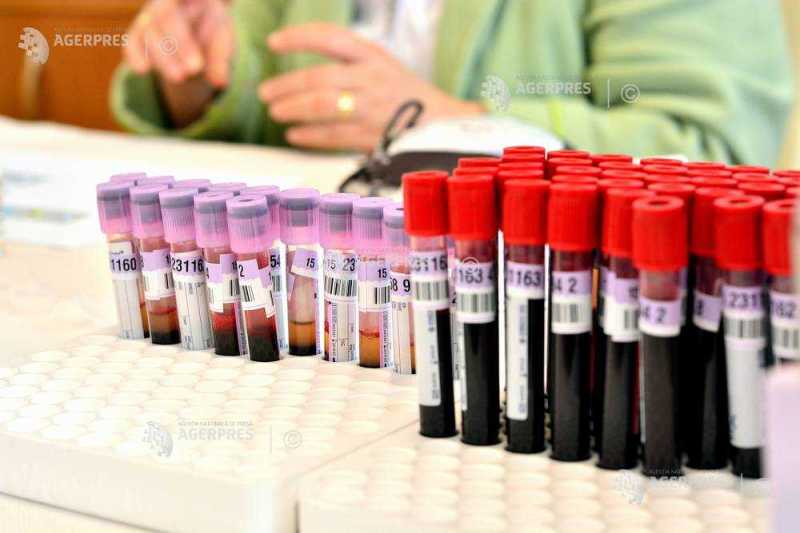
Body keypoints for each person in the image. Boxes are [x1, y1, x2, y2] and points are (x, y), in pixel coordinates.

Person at [113, 0, 793, 164]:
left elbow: (707, 145)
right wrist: (195, 69)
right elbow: (260, 102)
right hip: (331, 308)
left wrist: (451, 125)